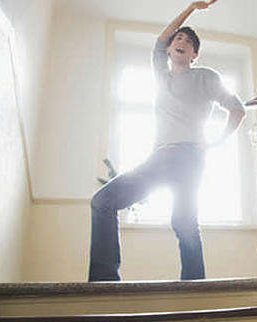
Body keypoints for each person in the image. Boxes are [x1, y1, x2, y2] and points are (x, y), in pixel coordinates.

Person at [89, 0, 245, 281]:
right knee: (103, 201)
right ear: (171, 49)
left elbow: (237, 109)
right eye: (178, 39)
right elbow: (160, 41)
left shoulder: (206, 77)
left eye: (188, 41)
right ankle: (103, 281)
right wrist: (191, 8)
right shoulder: (161, 76)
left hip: (189, 159)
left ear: (194, 54)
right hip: (157, 159)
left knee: (184, 222)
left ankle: (194, 288)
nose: (180, 41)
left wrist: (215, 142)